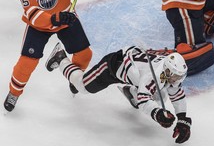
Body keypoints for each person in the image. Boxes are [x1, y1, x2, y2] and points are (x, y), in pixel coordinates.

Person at [3, 0, 98, 112]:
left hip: (65, 17)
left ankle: (74, 77)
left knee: (85, 54)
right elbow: (32, 14)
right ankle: (14, 92)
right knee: (27, 62)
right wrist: (54, 18)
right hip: (39, 26)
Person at [45, 43, 192, 144]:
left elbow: (177, 94)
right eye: (176, 76)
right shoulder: (152, 76)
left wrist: (182, 119)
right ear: (167, 70)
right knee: (82, 86)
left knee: (161, 96)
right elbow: (143, 101)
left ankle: (130, 90)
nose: (177, 80)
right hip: (111, 69)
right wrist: (158, 114)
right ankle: (60, 57)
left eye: (180, 76)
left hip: (133, 74)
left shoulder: (167, 74)